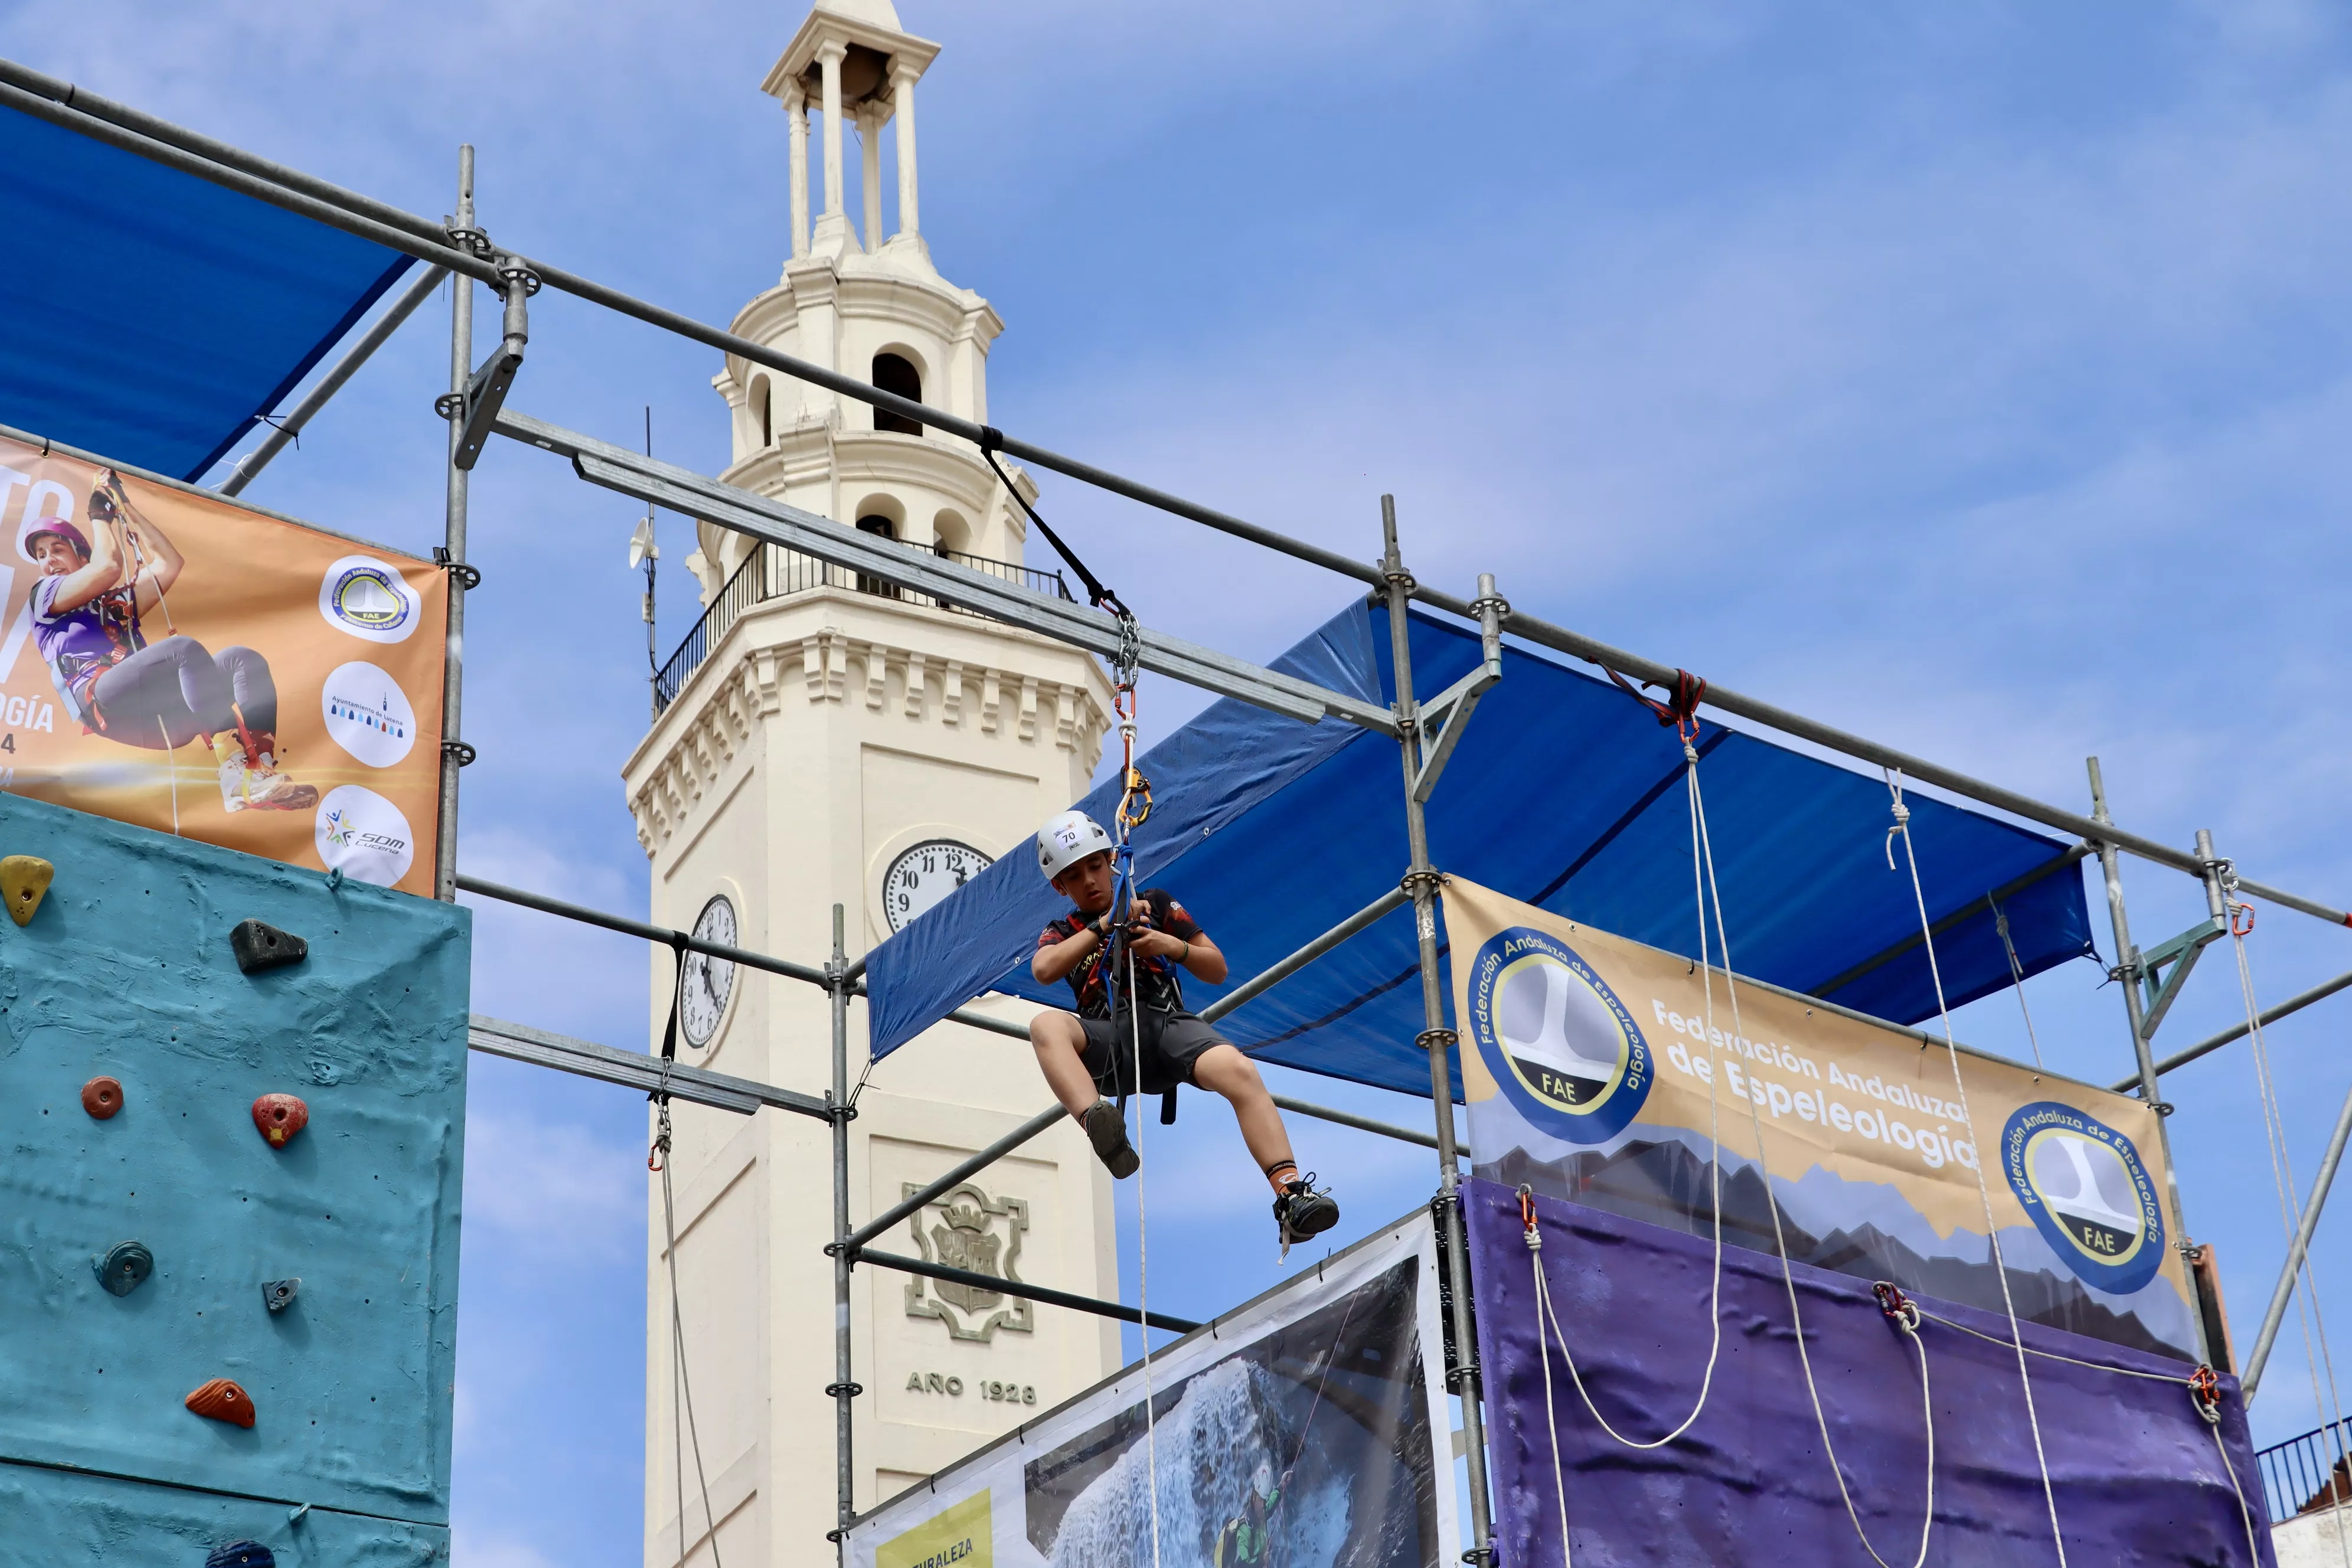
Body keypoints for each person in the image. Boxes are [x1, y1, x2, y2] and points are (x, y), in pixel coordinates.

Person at [1029, 809, 1340, 1253]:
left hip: (1168, 1028)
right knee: (1045, 1025)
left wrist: (1167, 944)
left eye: (1096, 865)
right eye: (1075, 875)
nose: (1091, 880)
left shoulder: (1153, 903)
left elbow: (1216, 968)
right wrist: (1104, 927)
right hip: (1112, 1040)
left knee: (1238, 1069)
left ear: (1111, 859)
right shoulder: (1063, 930)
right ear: (1061, 887)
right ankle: (1098, 1119)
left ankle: (1291, 1194)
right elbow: (1043, 969)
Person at [22, 471, 316, 812]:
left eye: (57, 549)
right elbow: (109, 566)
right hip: (107, 706)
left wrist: (125, 508)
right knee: (183, 649)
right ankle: (234, 772)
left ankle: (258, 770)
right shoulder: (44, 597)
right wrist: (99, 517)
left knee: (242, 658)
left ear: (81, 557)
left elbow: (170, 563)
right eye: (41, 555)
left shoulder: (113, 604)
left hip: (164, 716)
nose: (48, 561)